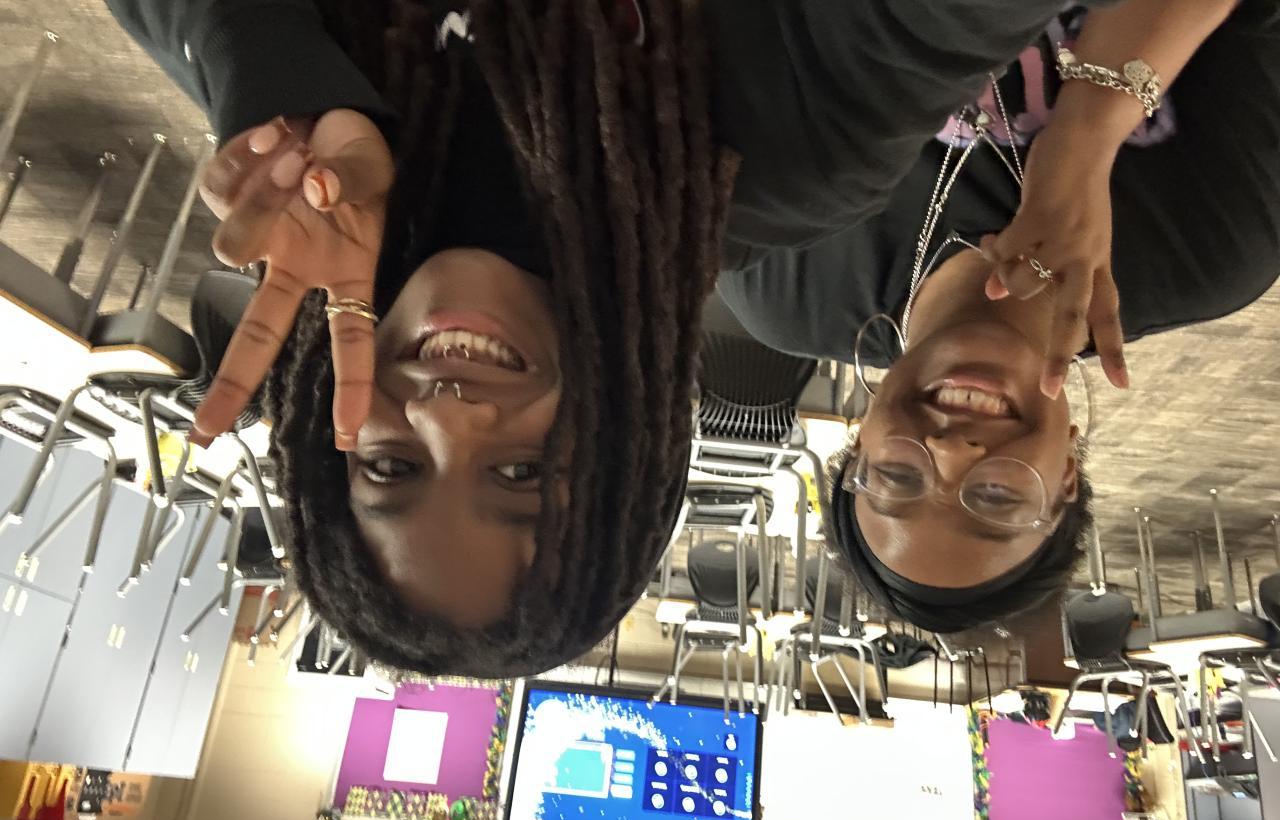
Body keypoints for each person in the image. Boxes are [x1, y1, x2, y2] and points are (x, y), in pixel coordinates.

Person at [109, 0, 1120, 676]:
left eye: (390, 465)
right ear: (623, 450)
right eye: (521, 474)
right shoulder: (783, 159)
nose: (450, 418)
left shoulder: (312, 129)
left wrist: (263, 75)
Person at [717, 0, 1280, 634]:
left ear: (857, 449)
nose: (952, 451)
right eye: (995, 496)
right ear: (1064, 477)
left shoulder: (786, 281)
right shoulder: (1206, 253)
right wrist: (1087, 135)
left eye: (899, 476)